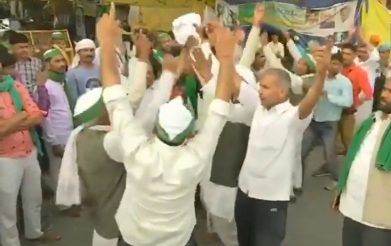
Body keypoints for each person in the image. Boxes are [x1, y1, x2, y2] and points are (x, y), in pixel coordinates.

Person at [96, 5, 234, 245]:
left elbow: (113, 96)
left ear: (157, 126)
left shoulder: (137, 149)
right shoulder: (197, 156)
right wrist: (227, 57)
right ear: (189, 134)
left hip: (133, 237)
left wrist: (107, 43)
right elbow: (221, 108)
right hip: (178, 239)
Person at [234, 41, 331, 246]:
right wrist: (225, 57)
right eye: (260, 86)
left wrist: (321, 75)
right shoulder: (259, 107)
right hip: (244, 192)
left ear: (282, 92)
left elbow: (309, 101)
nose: (260, 91)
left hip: (271, 200)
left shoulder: (292, 118)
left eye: (266, 87)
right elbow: (234, 82)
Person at [0, 48, 60, 246]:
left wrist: (13, 122)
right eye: (9, 66)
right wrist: (21, 116)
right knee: (6, 208)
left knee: (33, 198)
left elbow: (36, 114)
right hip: (5, 157)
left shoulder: (15, 86)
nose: (13, 70)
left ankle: (34, 232)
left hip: (29, 151)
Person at [56, 88, 126, 246]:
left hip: (99, 212)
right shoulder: (109, 142)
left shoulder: (80, 135)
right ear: (104, 114)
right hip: (114, 218)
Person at [334, 78, 391, 246]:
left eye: (390, 92)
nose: (384, 95)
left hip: (380, 217)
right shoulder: (373, 121)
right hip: (353, 208)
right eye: (385, 90)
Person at [302, 52, 353, 191]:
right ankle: (296, 181)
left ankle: (336, 179)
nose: (332, 66)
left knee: (329, 154)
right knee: (301, 152)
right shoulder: (319, 78)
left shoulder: (345, 82)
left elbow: (348, 102)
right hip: (313, 122)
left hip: (330, 125)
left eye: (336, 63)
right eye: (331, 62)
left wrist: (328, 96)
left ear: (341, 66)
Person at [41, 48, 73, 193]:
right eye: (57, 61)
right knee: (58, 171)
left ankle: (71, 201)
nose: (61, 64)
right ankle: (63, 204)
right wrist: (53, 142)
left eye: (63, 61)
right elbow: (45, 117)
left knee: (69, 170)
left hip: (69, 133)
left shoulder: (62, 83)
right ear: (47, 65)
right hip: (56, 136)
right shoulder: (45, 87)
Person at [339, 43, 373, 155]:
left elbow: (368, 93)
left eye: (348, 54)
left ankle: (350, 164)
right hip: (334, 108)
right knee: (339, 137)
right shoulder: (337, 68)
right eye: (343, 53)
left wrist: (355, 103)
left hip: (348, 111)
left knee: (348, 138)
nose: (344, 56)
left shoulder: (359, 72)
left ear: (354, 56)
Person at [66, 38, 100, 110]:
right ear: (78, 53)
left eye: (91, 50)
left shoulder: (102, 70)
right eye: (85, 50)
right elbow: (73, 100)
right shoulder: (72, 73)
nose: (89, 53)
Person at [373, 44, 391, 112]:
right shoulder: (375, 64)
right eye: (379, 52)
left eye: (383, 52)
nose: (381, 55)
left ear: (388, 53)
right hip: (376, 94)